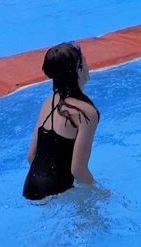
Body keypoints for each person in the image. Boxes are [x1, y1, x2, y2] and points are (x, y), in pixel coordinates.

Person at [22, 42, 100, 201]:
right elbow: (78, 170)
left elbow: (31, 156)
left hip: (30, 187)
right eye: (85, 60)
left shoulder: (47, 103)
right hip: (55, 191)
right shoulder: (86, 113)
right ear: (79, 70)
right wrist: (99, 192)